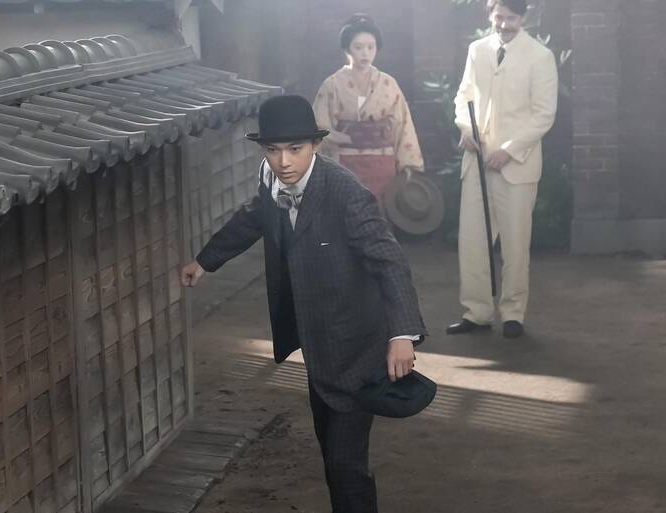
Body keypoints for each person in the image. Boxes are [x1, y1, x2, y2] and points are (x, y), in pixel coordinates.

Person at [180, 94, 427, 513]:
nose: (284, 161)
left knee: (345, 465)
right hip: (317, 344)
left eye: (295, 149)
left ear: (316, 145)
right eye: (273, 150)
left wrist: (402, 334)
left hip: (357, 344)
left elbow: (390, 262)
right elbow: (254, 217)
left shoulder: (346, 193)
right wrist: (205, 260)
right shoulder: (272, 179)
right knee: (332, 456)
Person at [448, 0, 558, 339]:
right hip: (477, 161)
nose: (504, 24)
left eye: (511, 18)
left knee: (515, 244)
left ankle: (513, 314)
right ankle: (477, 312)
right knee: (472, 243)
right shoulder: (477, 50)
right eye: (499, 17)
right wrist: (466, 128)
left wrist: (509, 150)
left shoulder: (540, 56)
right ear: (490, 15)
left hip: (517, 167)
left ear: (523, 17)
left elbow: (543, 114)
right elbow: (463, 97)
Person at [312, 14, 424, 203]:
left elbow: (402, 125)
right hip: (344, 164)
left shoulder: (388, 84)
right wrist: (346, 138)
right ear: (347, 48)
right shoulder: (332, 85)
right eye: (358, 47)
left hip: (383, 165)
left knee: (382, 212)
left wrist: (408, 164)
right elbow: (318, 127)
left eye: (371, 47)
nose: (365, 53)